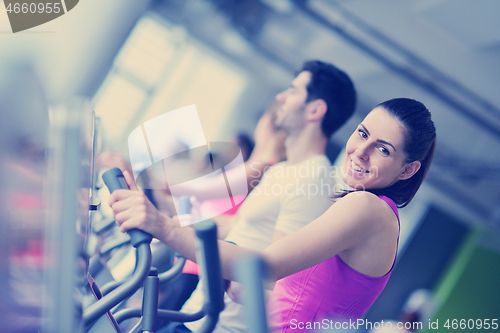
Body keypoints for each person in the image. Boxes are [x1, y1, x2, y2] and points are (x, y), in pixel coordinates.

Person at [109, 97, 436, 332]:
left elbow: (264, 266)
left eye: (383, 149)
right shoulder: (366, 210)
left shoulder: (367, 208)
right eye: (363, 133)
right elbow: (308, 296)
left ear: (408, 170)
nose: (360, 151)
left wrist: (163, 227)